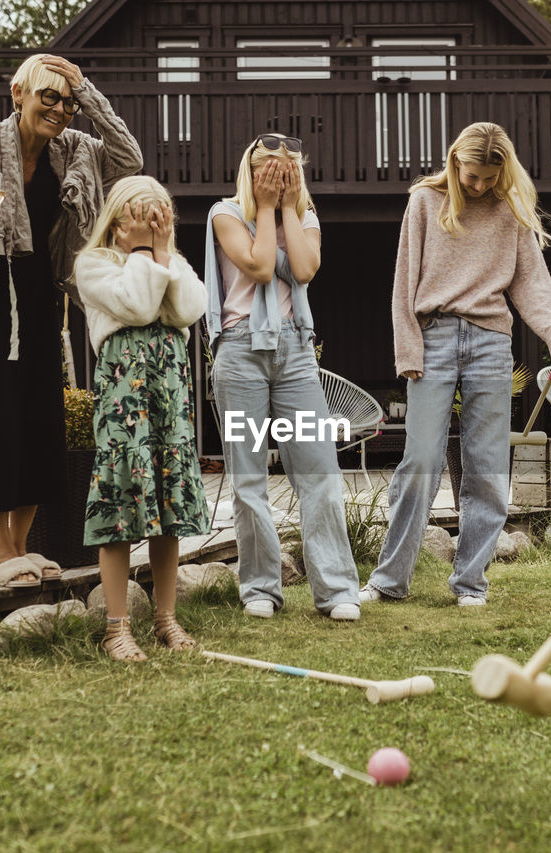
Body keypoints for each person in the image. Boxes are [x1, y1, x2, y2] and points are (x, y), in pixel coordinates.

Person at [0, 54, 142, 588]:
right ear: (19, 94)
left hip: (41, 297)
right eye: (50, 97)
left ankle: (26, 548)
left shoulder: (77, 149)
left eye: (67, 101)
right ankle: (3, 551)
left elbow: (129, 158)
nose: (59, 109)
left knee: (38, 422)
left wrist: (88, 91)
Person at [358, 122, 551, 608]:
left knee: (487, 465)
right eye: (471, 175)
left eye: (488, 179)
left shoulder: (510, 211)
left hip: (489, 343)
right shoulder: (424, 202)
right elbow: (403, 282)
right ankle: (390, 580)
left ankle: (471, 582)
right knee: (421, 459)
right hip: (433, 338)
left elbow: (531, 283)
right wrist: (407, 350)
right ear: (456, 160)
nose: (478, 186)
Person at [204, 132, 361, 622]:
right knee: (249, 478)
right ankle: (260, 589)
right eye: (266, 167)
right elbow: (259, 265)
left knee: (319, 473)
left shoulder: (306, 216)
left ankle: (336, 591)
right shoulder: (223, 213)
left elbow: (305, 268)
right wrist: (266, 207)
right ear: (248, 171)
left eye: (286, 168)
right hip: (240, 351)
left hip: (294, 353)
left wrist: (288, 207)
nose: (275, 175)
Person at [73, 176, 211, 661]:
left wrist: (161, 255)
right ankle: (116, 627)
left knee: (167, 510)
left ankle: (165, 619)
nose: (153, 223)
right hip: (123, 402)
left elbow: (190, 309)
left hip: (168, 398)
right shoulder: (93, 264)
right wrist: (141, 254)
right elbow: (136, 306)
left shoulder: (172, 263)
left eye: (159, 214)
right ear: (117, 218)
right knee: (121, 507)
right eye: (141, 213)